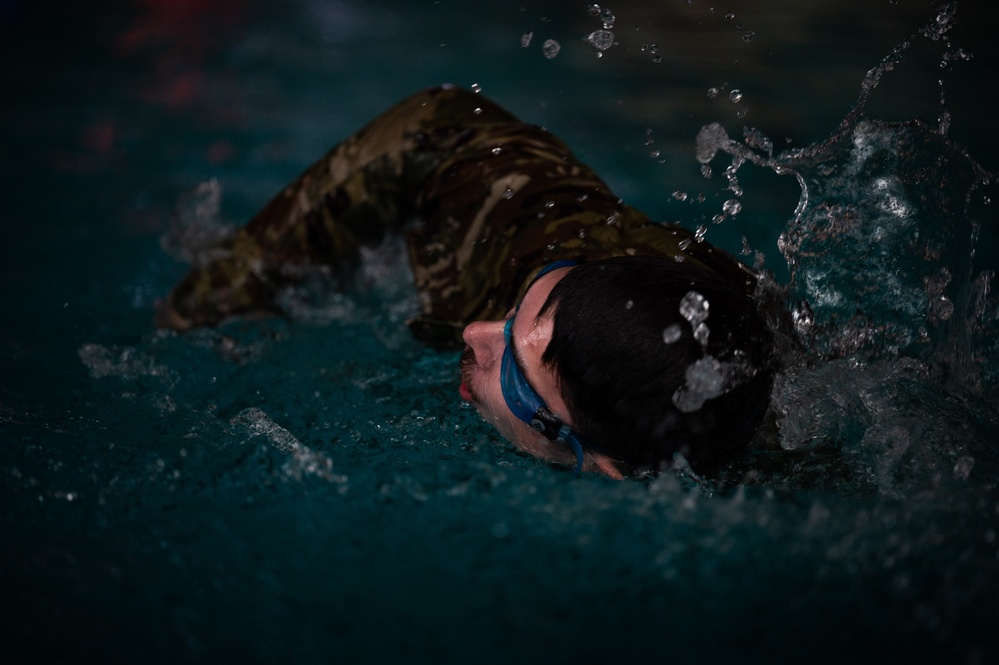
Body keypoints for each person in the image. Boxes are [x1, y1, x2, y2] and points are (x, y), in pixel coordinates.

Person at [158, 85, 776, 478]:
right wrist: (208, 310)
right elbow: (436, 122)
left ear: (607, 467)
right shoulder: (506, 231)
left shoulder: (772, 431)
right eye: (524, 306)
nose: (474, 333)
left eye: (517, 373)